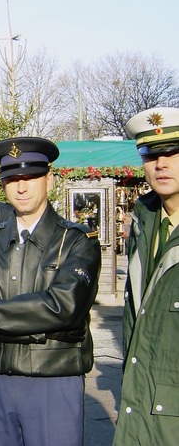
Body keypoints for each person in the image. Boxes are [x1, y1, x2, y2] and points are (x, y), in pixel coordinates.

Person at [0, 137, 101, 446]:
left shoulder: (76, 240)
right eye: (12, 179)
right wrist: (35, 325)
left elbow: (63, 307)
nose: (21, 187)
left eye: (30, 177)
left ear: (48, 178)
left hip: (53, 380)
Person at [114, 107, 179, 445]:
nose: (161, 163)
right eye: (151, 154)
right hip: (139, 415)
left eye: (173, 152)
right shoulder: (145, 224)